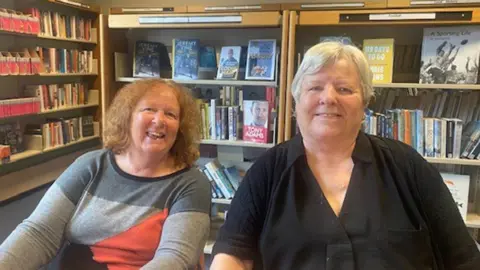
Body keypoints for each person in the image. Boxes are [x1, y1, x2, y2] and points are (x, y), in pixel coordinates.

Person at [210, 42, 480, 269]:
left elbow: (463, 259)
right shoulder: (267, 172)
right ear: (296, 101)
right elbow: (231, 254)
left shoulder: (408, 167)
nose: (328, 98)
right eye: (315, 87)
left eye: (344, 89)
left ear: (364, 102)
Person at [0, 79, 211, 269]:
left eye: (171, 114)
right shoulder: (90, 165)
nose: (159, 120)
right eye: (149, 109)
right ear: (126, 117)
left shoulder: (191, 184)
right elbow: (39, 232)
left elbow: (174, 258)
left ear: (180, 128)